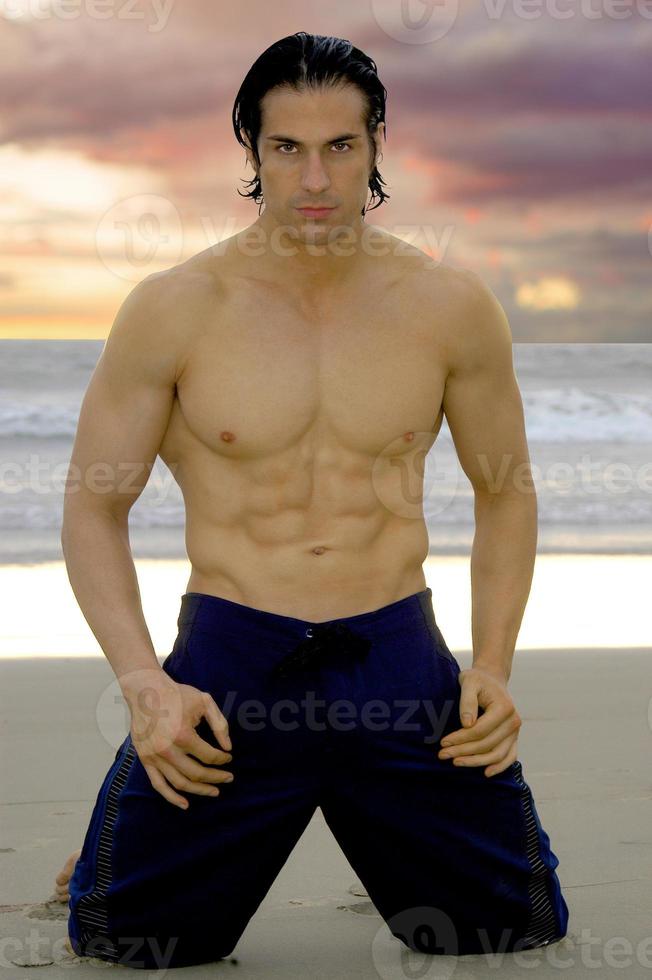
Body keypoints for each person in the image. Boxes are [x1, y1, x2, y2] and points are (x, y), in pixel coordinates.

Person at [55, 31, 569, 970]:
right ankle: (118, 834)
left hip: (398, 661)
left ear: (378, 146)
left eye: (342, 145)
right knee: (130, 939)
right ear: (250, 149)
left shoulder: (449, 305)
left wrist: (492, 665)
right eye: (287, 147)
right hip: (231, 665)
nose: (316, 177)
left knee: (518, 924)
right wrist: (144, 685)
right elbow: (94, 507)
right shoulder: (176, 306)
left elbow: (506, 492)